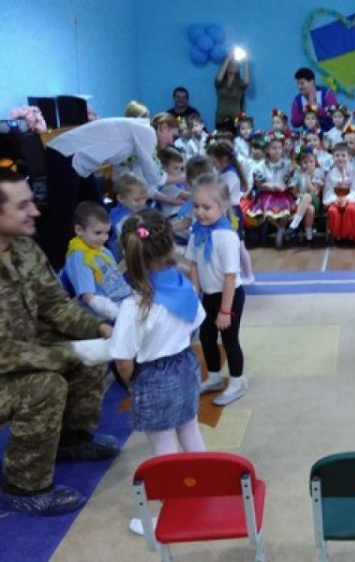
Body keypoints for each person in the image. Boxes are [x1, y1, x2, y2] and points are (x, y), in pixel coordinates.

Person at [0, 168, 118, 516]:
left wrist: (101, 330)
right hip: (8, 361)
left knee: (86, 344)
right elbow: (4, 353)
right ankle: (24, 485)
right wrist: (73, 351)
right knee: (46, 386)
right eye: (22, 206)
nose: (35, 211)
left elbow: (56, 306)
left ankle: (71, 438)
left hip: (23, 353)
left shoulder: (23, 247)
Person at [108, 209, 206, 533]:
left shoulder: (133, 306)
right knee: (190, 431)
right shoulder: (186, 286)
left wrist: (131, 384)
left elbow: (123, 360)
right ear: (169, 249)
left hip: (153, 377)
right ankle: (205, 489)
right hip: (186, 366)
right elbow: (195, 325)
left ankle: (169, 512)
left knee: (162, 448)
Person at [41, 113, 179, 269]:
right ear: (163, 127)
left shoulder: (140, 130)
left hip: (77, 163)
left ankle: (103, 263)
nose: (171, 143)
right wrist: (185, 177)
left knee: (98, 212)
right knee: (63, 219)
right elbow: (155, 175)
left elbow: (148, 176)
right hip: (63, 154)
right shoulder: (146, 131)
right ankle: (54, 267)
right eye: (172, 137)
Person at [187, 175, 248, 406]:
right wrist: (195, 295)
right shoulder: (198, 231)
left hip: (229, 296)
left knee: (230, 339)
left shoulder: (226, 237)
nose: (200, 212)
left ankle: (237, 381)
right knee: (206, 337)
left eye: (206, 207)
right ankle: (213, 376)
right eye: (196, 206)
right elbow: (194, 264)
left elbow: (230, 276)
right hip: (209, 295)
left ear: (222, 208)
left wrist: (225, 311)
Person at [64, 202, 131, 322]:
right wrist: (119, 316)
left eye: (107, 233)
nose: (104, 238)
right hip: (105, 316)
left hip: (124, 304)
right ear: (79, 230)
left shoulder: (102, 250)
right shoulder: (79, 257)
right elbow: (89, 297)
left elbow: (116, 279)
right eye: (98, 233)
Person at [206, 140, 254, 281]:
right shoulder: (225, 173)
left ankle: (248, 275)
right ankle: (237, 272)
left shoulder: (230, 175)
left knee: (238, 245)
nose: (213, 166)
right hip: (226, 211)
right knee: (233, 245)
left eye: (214, 162)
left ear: (223, 159)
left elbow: (220, 193)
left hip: (232, 213)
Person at [323, 143, 355, 244]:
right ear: (333, 157)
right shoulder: (330, 173)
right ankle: (337, 236)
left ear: (349, 157)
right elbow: (328, 190)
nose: (340, 158)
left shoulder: (353, 171)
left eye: (343, 155)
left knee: (351, 209)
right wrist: (335, 199)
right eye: (337, 155)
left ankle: (350, 236)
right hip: (335, 198)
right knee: (333, 211)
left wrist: (346, 199)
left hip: (350, 198)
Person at [108, 173, 149, 261]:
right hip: (121, 258)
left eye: (145, 199)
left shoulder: (135, 208)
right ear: (121, 198)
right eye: (137, 200)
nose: (142, 203)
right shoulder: (119, 218)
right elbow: (132, 235)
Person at [289, 147, 324, 245]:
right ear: (300, 163)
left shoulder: (318, 172)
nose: (309, 164)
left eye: (311, 161)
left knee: (308, 197)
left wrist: (308, 176)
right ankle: (309, 238)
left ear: (315, 161)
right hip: (301, 201)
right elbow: (294, 192)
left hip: (316, 201)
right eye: (305, 162)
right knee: (309, 209)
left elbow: (314, 191)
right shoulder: (298, 173)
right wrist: (302, 196)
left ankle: (294, 224)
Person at [291, 67, 338, 132]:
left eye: (302, 83)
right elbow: (295, 122)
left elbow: (335, 113)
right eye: (298, 84)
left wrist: (316, 109)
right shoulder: (297, 100)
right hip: (310, 136)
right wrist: (306, 114)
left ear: (312, 82)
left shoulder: (326, 94)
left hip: (330, 133)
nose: (299, 87)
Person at [215, 53, 250, 131]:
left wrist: (245, 62)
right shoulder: (220, 83)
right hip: (221, 119)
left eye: (235, 64)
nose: (233, 65)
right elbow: (218, 79)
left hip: (236, 120)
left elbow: (247, 82)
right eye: (230, 64)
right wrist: (227, 60)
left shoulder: (239, 83)